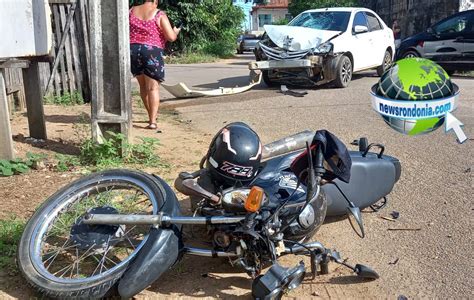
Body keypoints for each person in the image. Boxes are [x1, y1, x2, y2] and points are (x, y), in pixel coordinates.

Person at [129, 0, 180, 129]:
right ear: (155, 1)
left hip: (133, 50)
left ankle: (151, 116)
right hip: (151, 51)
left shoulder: (131, 11)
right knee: (152, 88)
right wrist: (175, 31)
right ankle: (152, 121)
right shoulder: (159, 14)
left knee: (143, 87)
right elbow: (171, 37)